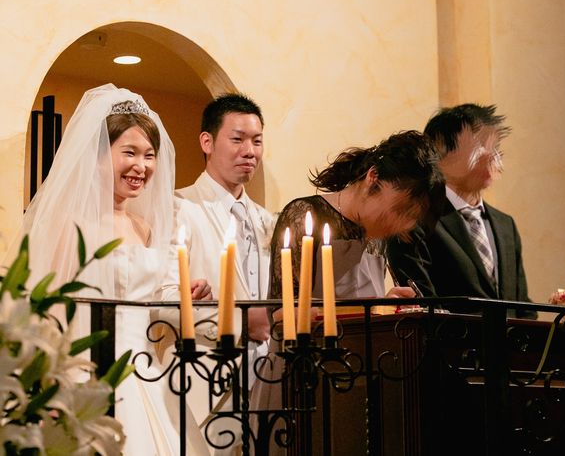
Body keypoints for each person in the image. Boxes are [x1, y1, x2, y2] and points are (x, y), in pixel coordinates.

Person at [16, 83, 210, 455]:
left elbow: (151, 304)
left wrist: (184, 296)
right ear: (98, 155)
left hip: (146, 372)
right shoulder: (69, 225)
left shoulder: (145, 228)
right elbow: (47, 311)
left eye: (149, 155)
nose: (142, 166)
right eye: (129, 152)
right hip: (87, 374)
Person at [249, 131, 445, 454]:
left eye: (411, 218)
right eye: (401, 209)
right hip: (302, 377)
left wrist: (386, 307)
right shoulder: (304, 216)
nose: (403, 225)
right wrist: (363, 310)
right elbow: (282, 314)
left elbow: (362, 301)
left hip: (361, 378)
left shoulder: (378, 236)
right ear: (373, 178)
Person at [170, 92, 275, 455]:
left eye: (257, 141)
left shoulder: (267, 220)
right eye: (238, 139)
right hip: (205, 381)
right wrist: (242, 322)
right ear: (207, 142)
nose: (250, 151)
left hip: (268, 378)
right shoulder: (179, 207)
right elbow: (163, 298)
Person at [386, 103, 537, 319]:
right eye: (479, 145)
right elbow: (423, 309)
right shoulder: (412, 221)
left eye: (494, 146)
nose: (492, 155)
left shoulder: (505, 224)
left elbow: (523, 309)